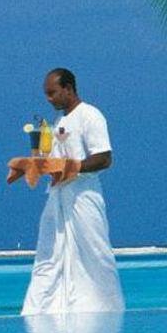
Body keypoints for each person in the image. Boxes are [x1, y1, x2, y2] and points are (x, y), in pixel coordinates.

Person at [21, 68, 125, 315]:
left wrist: (74, 167)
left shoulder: (90, 115)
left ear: (68, 88)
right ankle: (41, 311)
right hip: (58, 196)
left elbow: (104, 158)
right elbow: (56, 160)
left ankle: (106, 309)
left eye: (52, 93)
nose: (48, 99)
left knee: (94, 252)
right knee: (49, 253)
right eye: (46, 94)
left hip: (84, 196)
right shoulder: (59, 122)